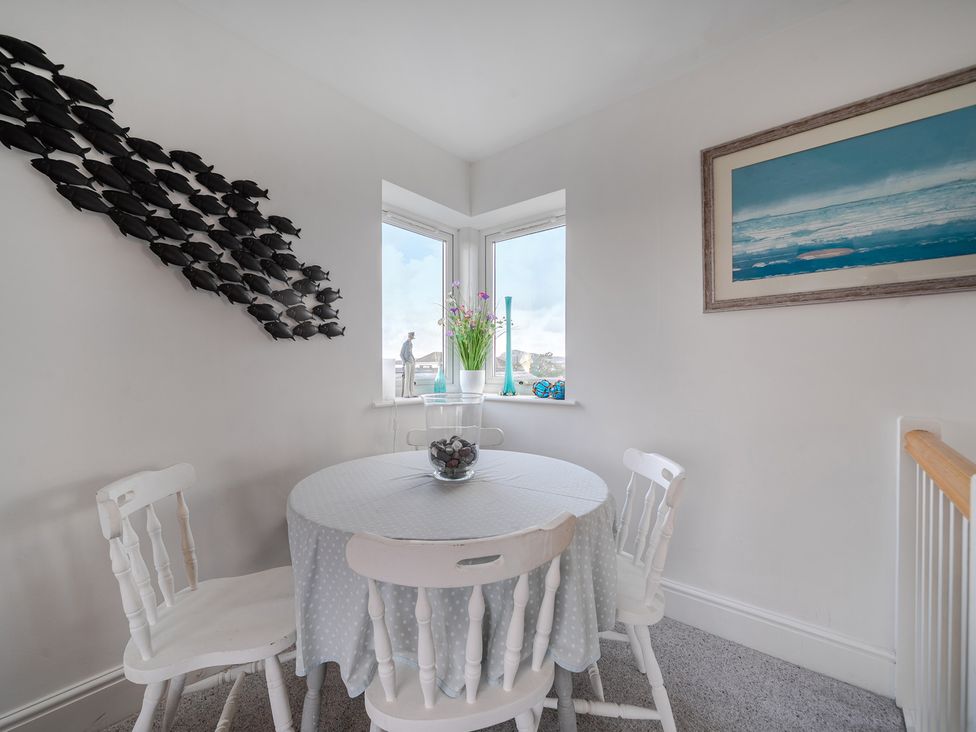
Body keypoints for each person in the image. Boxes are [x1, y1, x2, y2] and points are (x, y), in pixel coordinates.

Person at [400, 331, 417, 397]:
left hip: (412, 362)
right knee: (407, 378)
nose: (412, 337)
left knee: (412, 378)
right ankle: (406, 393)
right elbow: (401, 354)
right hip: (407, 362)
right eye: (412, 336)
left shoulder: (411, 344)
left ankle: (412, 392)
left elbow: (410, 353)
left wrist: (414, 359)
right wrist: (404, 362)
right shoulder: (405, 344)